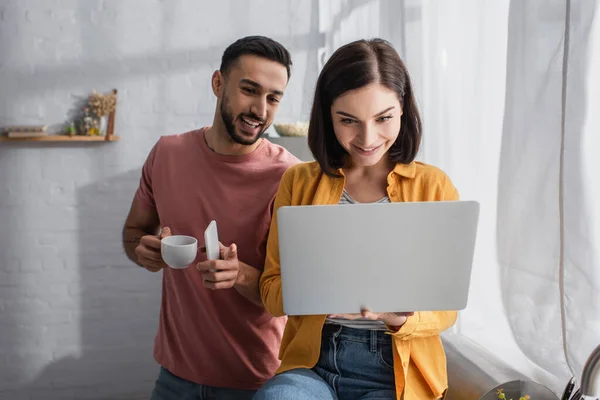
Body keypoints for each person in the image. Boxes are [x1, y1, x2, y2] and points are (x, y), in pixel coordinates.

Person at [255, 38, 459, 400]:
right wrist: (317, 291)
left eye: (384, 118)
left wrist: (400, 320)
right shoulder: (299, 182)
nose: (367, 138)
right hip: (315, 361)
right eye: (348, 120)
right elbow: (271, 292)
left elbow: (446, 308)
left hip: (396, 368)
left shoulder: (433, 185)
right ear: (327, 115)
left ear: (403, 110)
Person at [122, 36, 299, 400]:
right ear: (218, 83)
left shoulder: (291, 177)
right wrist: (144, 252)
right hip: (174, 375)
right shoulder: (167, 153)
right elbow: (134, 231)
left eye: (273, 98)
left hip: (257, 380)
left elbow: (296, 292)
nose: (260, 110)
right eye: (249, 90)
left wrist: (241, 275)